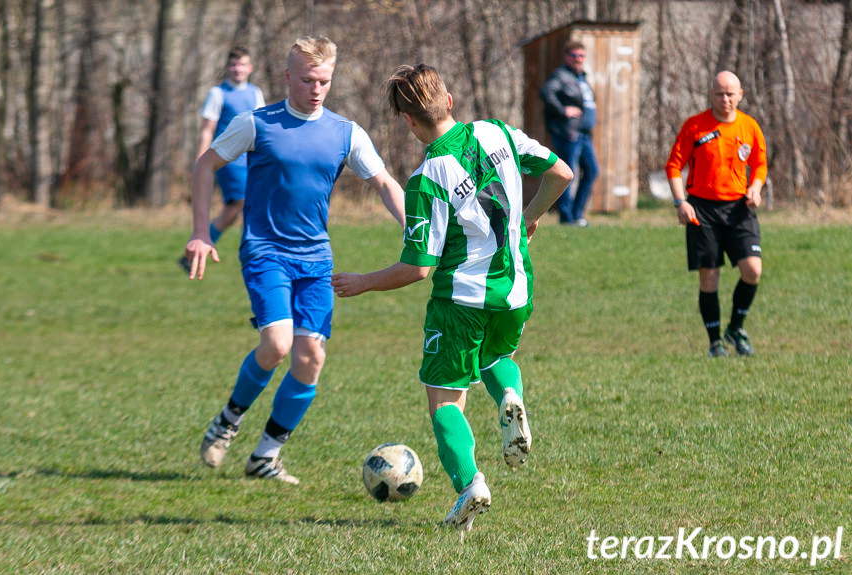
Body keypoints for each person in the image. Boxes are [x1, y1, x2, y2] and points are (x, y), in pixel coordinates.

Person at [331, 64, 573, 532]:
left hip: (460, 300)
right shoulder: (496, 132)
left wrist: (363, 281)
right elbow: (561, 173)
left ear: (408, 122)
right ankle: (509, 394)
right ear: (450, 100)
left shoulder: (427, 178)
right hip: (516, 287)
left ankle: (470, 484)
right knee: (497, 355)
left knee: (444, 402)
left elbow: (418, 268)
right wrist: (527, 220)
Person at [184, 36, 405, 483]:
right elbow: (204, 166)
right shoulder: (257, 124)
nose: (316, 88)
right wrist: (202, 232)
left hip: (315, 257)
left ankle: (265, 455)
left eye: (323, 80)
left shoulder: (345, 132)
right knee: (278, 345)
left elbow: (383, 181)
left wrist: (413, 226)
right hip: (266, 250)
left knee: (310, 359)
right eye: (307, 80)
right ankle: (228, 420)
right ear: (288, 77)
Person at [665, 70, 767, 358]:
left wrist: (756, 187)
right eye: (719, 94)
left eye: (730, 94)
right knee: (709, 277)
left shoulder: (749, 126)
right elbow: (674, 166)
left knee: (753, 270)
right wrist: (680, 202)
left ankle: (735, 327)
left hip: (739, 209)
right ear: (711, 95)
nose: (725, 99)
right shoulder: (695, 127)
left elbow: (760, 163)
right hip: (702, 210)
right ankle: (715, 342)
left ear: (740, 94)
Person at [180, 47, 265, 272]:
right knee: (245, 202)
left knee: (233, 209)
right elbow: (207, 129)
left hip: (252, 159)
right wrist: (202, 160)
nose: (238, 69)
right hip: (229, 160)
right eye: (234, 65)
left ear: (250, 68)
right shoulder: (217, 94)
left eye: (242, 64)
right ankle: (254, 252)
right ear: (227, 68)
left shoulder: (255, 92)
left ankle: (198, 247)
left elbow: (261, 128)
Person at [540, 39, 599, 227]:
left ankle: (577, 214)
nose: (578, 59)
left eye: (581, 56)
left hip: (584, 135)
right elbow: (546, 93)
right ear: (567, 57)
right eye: (574, 56)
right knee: (568, 174)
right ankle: (566, 217)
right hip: (569, 134)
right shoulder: (561, 76)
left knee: (591, 171)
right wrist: (563, 110)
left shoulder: (581, 77)